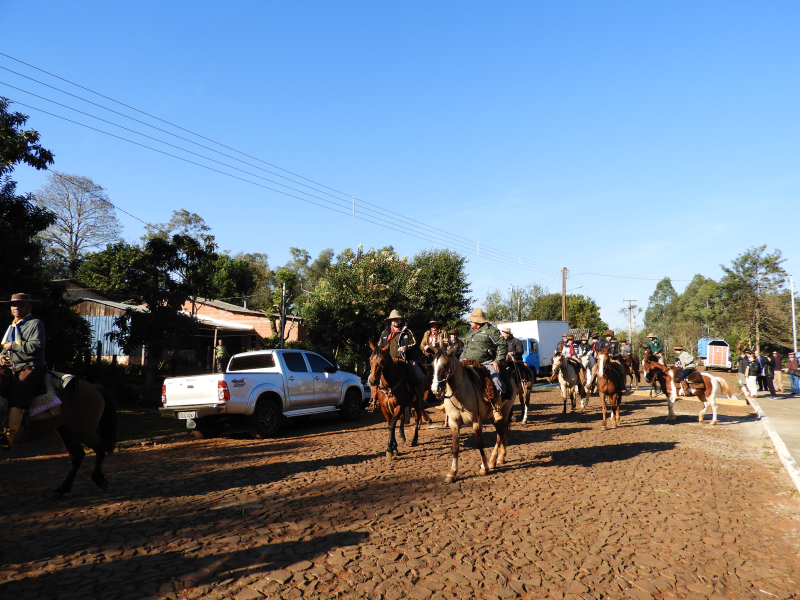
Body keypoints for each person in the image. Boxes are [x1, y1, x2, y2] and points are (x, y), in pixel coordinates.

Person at [0, 293, 47, 450]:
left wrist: (13, 346)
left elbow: (36, 347)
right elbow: (4, 349)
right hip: (12, 367)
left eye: (20, 305)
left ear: (29, 307)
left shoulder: (35, 324)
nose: (16, 308)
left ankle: (9, 437)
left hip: (31, 366)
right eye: (13, 305)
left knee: (18, 397)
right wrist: (1, 357)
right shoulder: (12, 326)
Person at [461, 308, 508, 405]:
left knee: (495, 380)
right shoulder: (470, 332)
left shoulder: (491, 330)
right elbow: (465, 348)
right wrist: (460, 360)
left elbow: (502, 345)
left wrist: (497, 361)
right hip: (467, 361)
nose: (469, 322)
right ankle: (448, 401)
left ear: (478, 321)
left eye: (471, 320)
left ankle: (497, 407)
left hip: (485, 362)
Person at [378, 308, 425, 390]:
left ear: (400, 320)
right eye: (394, 319)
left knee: (419, 376)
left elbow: (415, 343)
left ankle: (418, 398)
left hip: (405, 361)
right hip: (388, 362)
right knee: (373, 378)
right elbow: (379, 348)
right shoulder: (384, 333)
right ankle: (374, 399)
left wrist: (406, 347)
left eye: (398, 319)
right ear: (391, 321)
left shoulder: (407, 332)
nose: (396, 321)